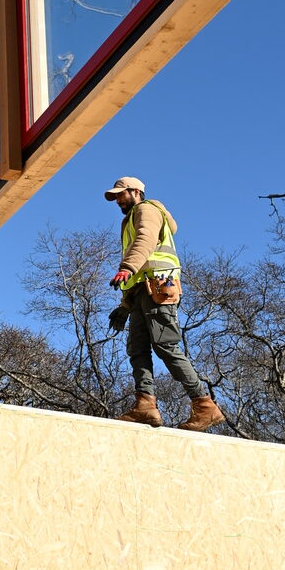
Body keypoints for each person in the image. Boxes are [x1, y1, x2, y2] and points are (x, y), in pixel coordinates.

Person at [104, 177, 224, 432]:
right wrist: (125, 305)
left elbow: (145, 240)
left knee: (165, 346)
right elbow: (141, 268)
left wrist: (126, 267)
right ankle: (145, 405)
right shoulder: (130, 218)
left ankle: (204, 405)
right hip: (141, 291)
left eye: (120, 195)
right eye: (115, 197)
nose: (117, 201)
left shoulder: (146, 210)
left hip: (159, 287)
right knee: (137, 349)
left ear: (136, 192)